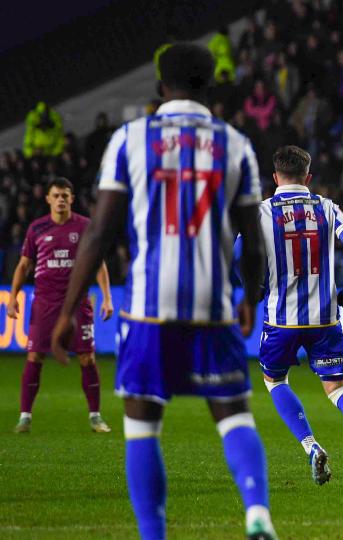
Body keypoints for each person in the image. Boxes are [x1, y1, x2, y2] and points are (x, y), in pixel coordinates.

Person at [50, 43, 276, 540]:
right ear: (210, 87)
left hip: (151, 306)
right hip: (213, 305)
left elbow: (99, 233)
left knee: (142, 425)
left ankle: (154, 534)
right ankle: (257, 511)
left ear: (159, 87)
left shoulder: (131, 139)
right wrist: (249, 299)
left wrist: (69, 310)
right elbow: (253, 241)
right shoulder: (234, 143)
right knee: (235, 415)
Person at [241, 145, 343, 490]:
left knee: (275, 381)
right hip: (325, 316)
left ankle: (312, 447)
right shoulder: (326, 207)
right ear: (308, 178)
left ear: (275, 176)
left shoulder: (262, 212)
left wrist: (254, 288)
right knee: (339, 388)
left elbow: (239, 252)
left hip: (281, 319)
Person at [9, 177, 114, 434]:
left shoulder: (85, 227)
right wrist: (12, 297)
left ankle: (95, 416)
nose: (61, 200)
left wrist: (107, 297)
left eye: (65, 195)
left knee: (87, 357)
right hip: (45, 302)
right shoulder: (36, 229)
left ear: (72, 199)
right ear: (48, 199)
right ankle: (25, 417)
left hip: (77, 302)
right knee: (34, 356)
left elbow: (98, 263)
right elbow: (24, 266)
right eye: (56, 195)